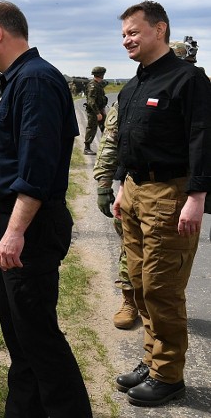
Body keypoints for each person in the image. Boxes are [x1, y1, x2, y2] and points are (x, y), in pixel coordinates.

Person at [0, 1, 92, 417]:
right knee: (21, 337)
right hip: (17, 222)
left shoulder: (36, 81)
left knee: (38, 337)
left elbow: (38, 167)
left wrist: (16, 230)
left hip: (30, 225)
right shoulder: (19, 79)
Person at [112, 1, 211, 407]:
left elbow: (203, 140)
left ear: (160, 30)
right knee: (138, 283)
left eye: (134, 32)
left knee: (162, 287)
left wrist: (197, 197)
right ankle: (151, 361)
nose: (127, 40)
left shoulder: (188, 80)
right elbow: (125, 140)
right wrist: (120, 185)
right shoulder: (135, 85)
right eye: (123, 35)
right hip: (135, 191)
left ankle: (169, 375)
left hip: (170, 194)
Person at [93, 96, 138, 329]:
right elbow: (110, 141)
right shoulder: (134, 92)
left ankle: (158, 305)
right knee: (130, 245)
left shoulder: (199, 90)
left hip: (180, 189)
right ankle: (129, 299)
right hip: (134, 184)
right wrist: (104, 184)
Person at [83, 66, 107, 155]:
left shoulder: (98, 84)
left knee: (105, 129)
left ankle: (105, 147)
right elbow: (91, 101)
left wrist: (102, 110)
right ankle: (86, 148)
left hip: (100, 110)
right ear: (101, 74)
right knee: (92, 128)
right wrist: (97, 113)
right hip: (94, 111)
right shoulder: (93, 85)